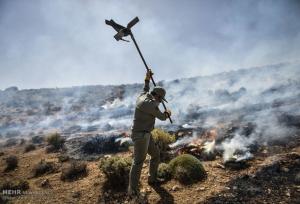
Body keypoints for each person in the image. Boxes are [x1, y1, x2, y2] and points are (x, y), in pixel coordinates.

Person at [128, 69, 171, 196]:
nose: (161, 101)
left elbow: (145, 89)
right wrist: (168, 113)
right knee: (138, 162)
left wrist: (147, 79)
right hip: (141, 135)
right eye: (161, 99)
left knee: (156, 154)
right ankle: (133, 191)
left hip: (146, 134)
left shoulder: (143, 96)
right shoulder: (150, 105)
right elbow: (162, 117)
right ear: (157, 96)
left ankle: (152, 179)